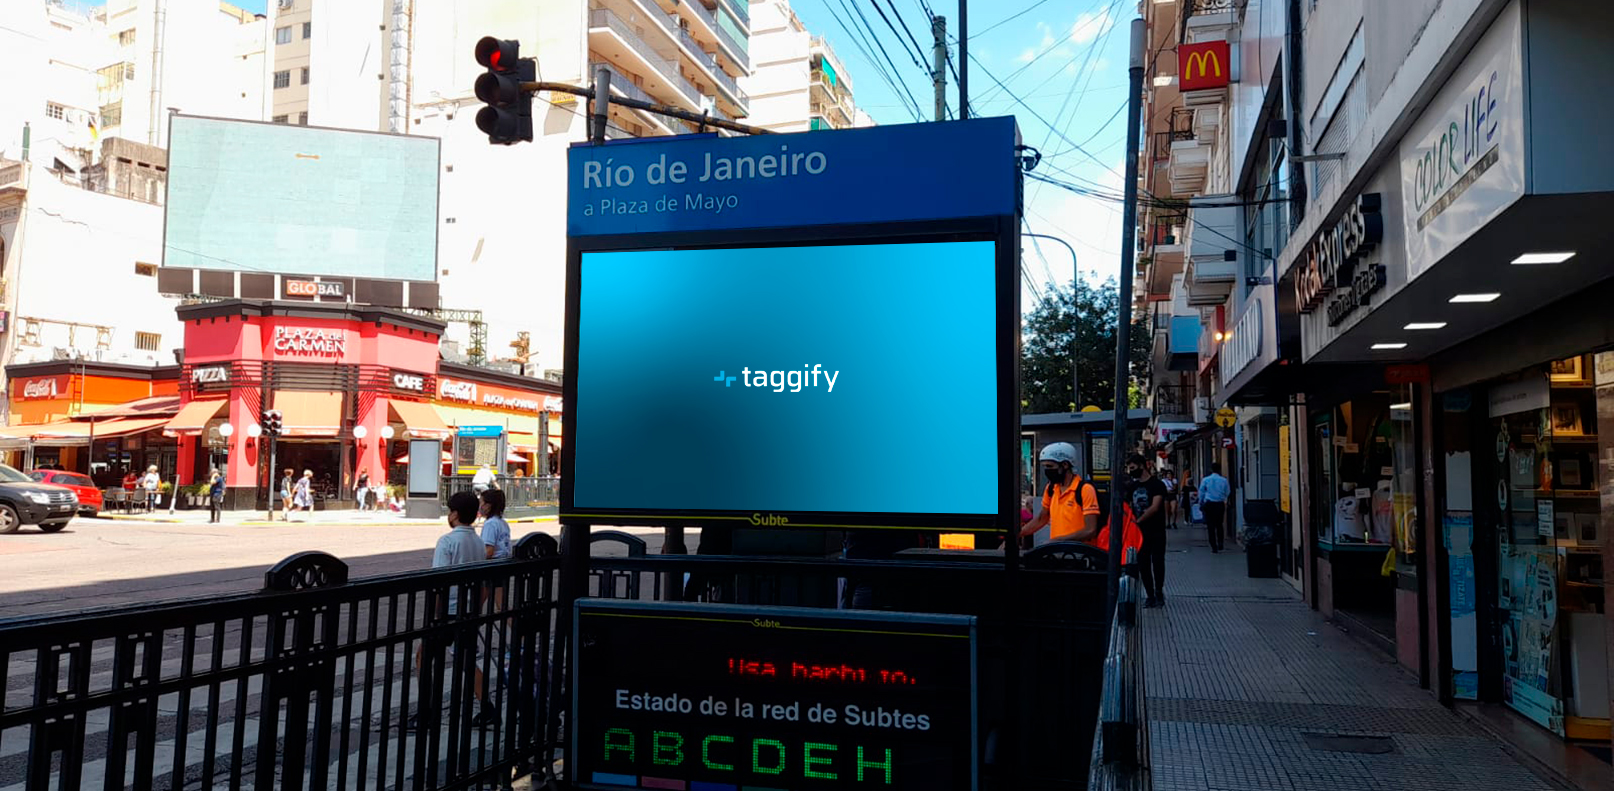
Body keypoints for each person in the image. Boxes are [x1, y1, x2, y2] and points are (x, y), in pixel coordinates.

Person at [408, 491, 496, 731]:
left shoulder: (447, 541)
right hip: (468, 610)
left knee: (423, 656)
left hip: (448, 611)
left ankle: (426, 711)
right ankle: (486, 706)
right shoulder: (477, 541)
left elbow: (439, 580)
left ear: (454, 514)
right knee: (467, 659)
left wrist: (435, 615)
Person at [1018, 442, 1101, 546]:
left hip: (1080, 554)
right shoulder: (1051, 488)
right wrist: (1017, 534)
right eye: (1045, 467)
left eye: (1050, 466)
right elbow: (1041, 519)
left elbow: (1090, 530)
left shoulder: (1085, 490)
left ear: (1065, 465)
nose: (1047, 471)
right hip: (1058, 552)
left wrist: (1058, 541)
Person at [1126, 454, 1169, 608]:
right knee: (1143, 564)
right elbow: (1129, 506)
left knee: (1157, 562)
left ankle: (1158, 592)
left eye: (1133, 468)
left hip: (1156, 529)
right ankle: (1149, 594)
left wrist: (1138, 520)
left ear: (1142, 466)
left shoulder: (1157, 485)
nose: (1131, 471)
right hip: (1139, 533)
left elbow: (1155, 507)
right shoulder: (1132, 486)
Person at [1199, 463, 1231, 553]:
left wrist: (1200, 502)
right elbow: (1228, 492)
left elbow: (1201, 492)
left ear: (1211, 469)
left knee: (1210, 526)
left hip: (1209, 504)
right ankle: (1220, 543)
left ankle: (1213, 546)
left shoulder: (1205, 480)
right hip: (1219, 504)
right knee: (1219, 524)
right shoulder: (1224, 480)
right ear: (1220, 469)